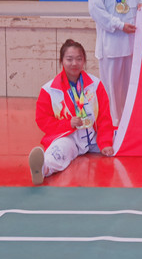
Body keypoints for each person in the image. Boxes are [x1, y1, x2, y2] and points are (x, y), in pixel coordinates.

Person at [29, 39, 115, 185]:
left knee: (122, 139)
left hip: (94, 137)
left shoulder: (95, 85)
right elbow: (43, 121)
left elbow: (104, 116)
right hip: (70, 138)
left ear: (84, 61)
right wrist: (67, 124)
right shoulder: (49, 90)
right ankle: (43, 168)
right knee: (59, 151)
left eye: (79, 59)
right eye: (69, 59)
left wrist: (105, 142)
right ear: (61, 61)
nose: (74, 63)